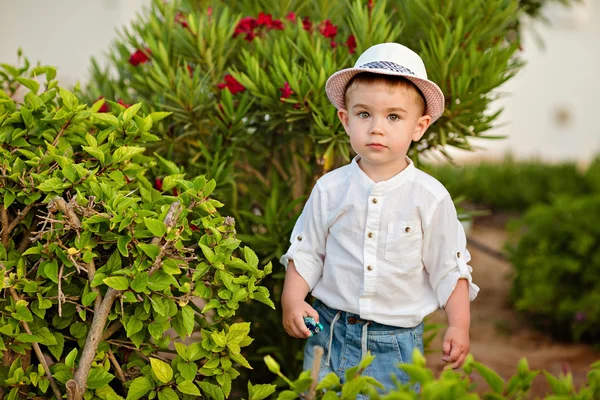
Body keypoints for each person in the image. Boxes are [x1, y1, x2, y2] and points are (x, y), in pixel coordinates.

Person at [279, 42, 480, 393]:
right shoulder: (330, 188)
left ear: (419, 127)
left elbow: (449, 268)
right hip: (329, 331)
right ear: (345, 120)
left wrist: (458, 326)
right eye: (364, 114)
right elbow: (307, 251)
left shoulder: (429, 198)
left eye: (393, 117)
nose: (376, 128)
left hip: (396, 344)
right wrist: (293, 300)